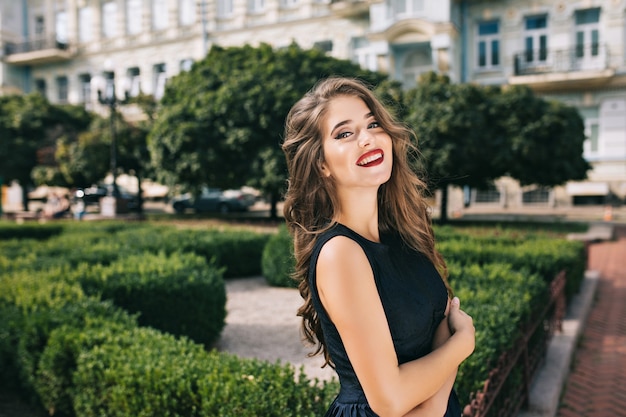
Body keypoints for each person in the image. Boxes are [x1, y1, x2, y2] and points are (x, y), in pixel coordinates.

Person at [281, 77, 475, 417]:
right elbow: (390, 401)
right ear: (321, 164)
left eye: (373, 124)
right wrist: (462, 345)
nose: (368, 137)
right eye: (345, 133)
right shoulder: (341, 253)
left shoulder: (402, 235)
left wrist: (439, 389)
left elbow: (441, 327)